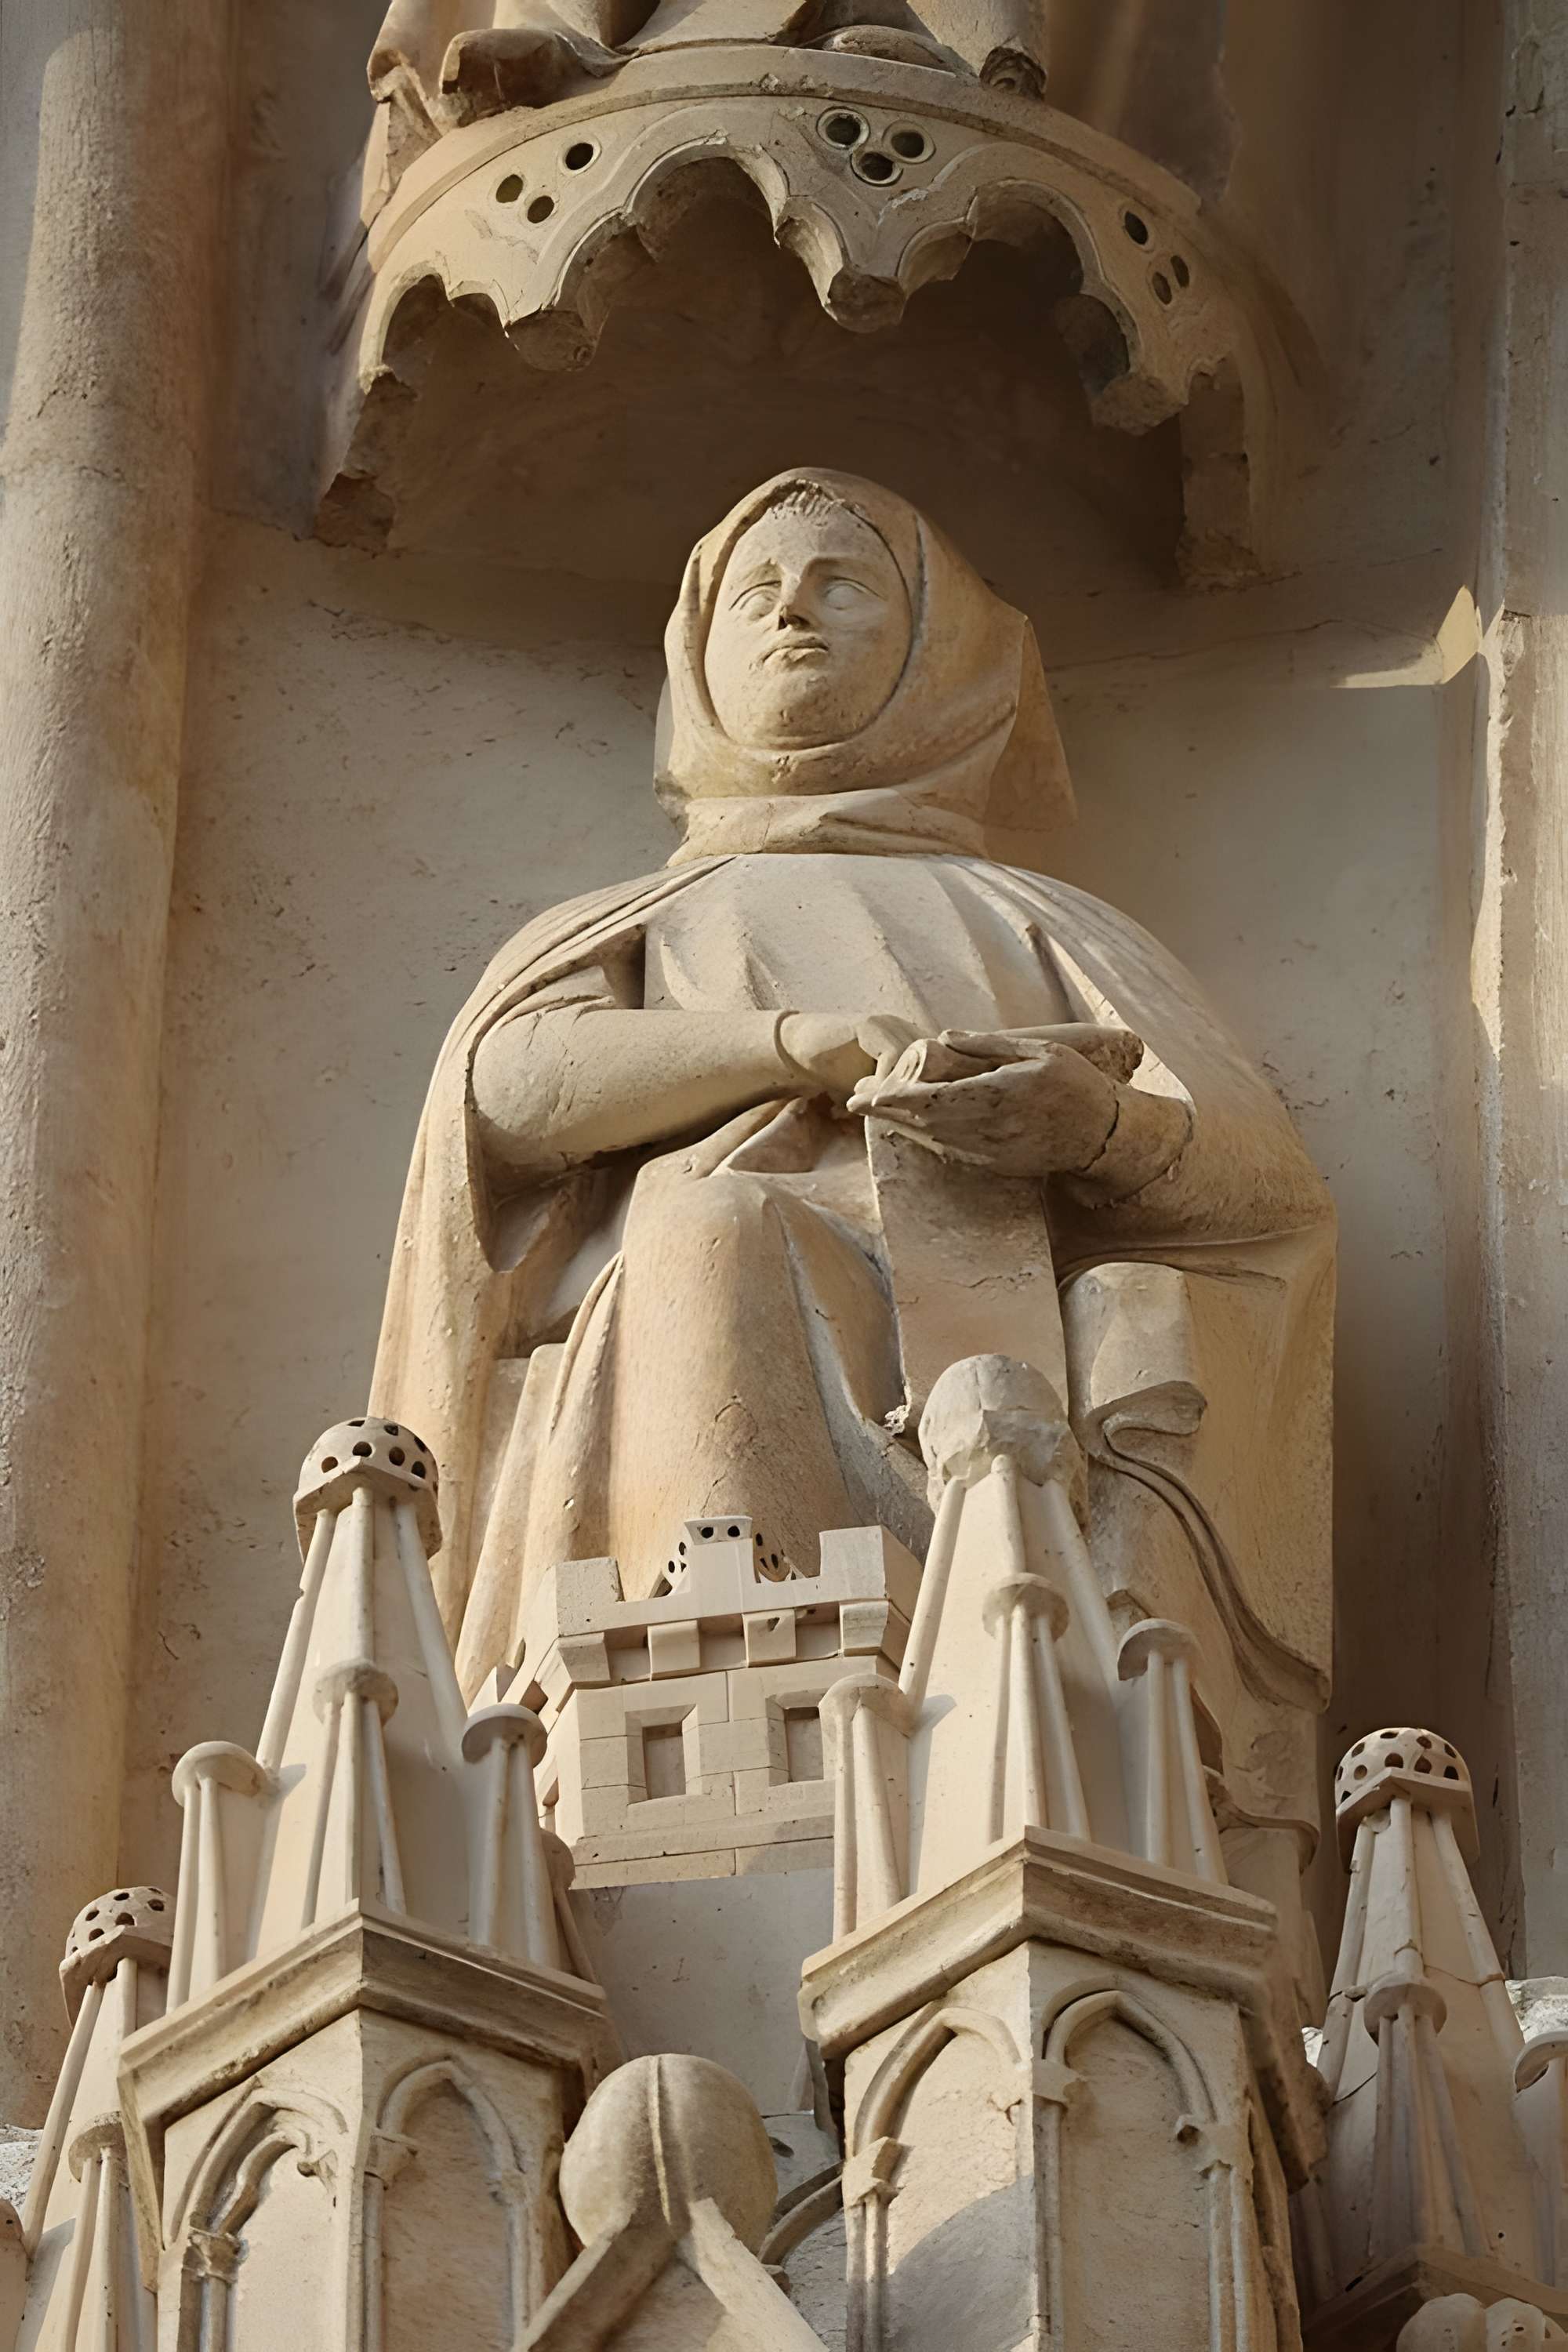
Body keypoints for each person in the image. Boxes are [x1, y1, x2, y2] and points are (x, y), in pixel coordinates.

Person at [372, 470, 1334, 1951]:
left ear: (944, 650)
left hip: (994, 1332)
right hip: (706, 1327)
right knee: (705, 1227)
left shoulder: (1039, 921)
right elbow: (512, 1089)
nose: (792, 616)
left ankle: (1016, 1736)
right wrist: (790, 1044)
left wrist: (1087, 1122)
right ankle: (707, 1775)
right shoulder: (637, 921)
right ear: (696, 656)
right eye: (753, 594)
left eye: (844, 584)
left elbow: (1256, 1187)